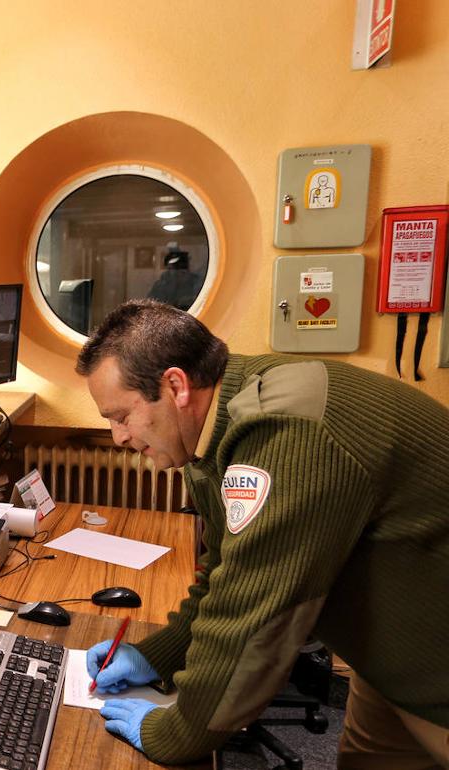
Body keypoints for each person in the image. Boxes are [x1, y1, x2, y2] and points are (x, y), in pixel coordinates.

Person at [74, 299, 449, 767]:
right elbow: (226, 572)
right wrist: (158, 656)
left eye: (120, 416)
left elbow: (251, 613)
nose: (118, 437)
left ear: (175, 386)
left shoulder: (282, 430)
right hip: (390, 658)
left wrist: (177, 733)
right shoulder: (208, 438)